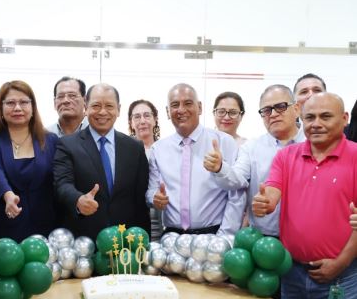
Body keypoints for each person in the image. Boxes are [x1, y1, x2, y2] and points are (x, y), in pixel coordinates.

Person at [252, 92, 357, 299]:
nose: (316, 124)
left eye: (326, 117)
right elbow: (272, 193)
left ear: (344, 118)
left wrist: (340, 262)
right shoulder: (286, 156)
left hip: (344, 275)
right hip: (293, 274)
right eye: (310, 118)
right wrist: (264, 203)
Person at [204, 84, 305, 237]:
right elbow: (236, 180)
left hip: (306, 236)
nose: (273, 114)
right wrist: (220, 168)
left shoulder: (313, 143)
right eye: (266, 110)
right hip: (264, 240)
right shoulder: (251, 148)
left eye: (280, 106)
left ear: (296, 108)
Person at [54, 83, 150, 241]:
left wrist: (142, 243)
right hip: (84, 241)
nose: (103, 112)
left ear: (118, 109)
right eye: (96, 105)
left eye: (109, 106)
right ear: (86, 107)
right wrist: (78, 199)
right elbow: (62, 184)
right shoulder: (67, 144)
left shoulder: (135, 148)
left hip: (124, 241)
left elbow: (140, 200)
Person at [147, 83, 245, 237]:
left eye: (187, 103)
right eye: (174, 105)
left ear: (199, 107)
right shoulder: (158, 149)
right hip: (172, 237)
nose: (181, 110)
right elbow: (151, 189)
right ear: (167, 111)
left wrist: (225, 236)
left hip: (213, 235)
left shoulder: (224, 142)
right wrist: (154, 198)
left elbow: (237, 192)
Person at [0, 80, 58, 253]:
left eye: (23, 102)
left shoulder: (50, 141)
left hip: (44, 226)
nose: (17, 108)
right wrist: (7, 195)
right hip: (4, 226)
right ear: (1, 108)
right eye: (10, 103)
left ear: (33, 107)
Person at [128, 99, 162, 240]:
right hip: (132, 221)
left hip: (163, 218)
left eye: (147, 115)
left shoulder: (165, 149)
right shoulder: (123, 150)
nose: (142, 121)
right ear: (130, 122)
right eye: (137, 117)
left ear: (155, 120)